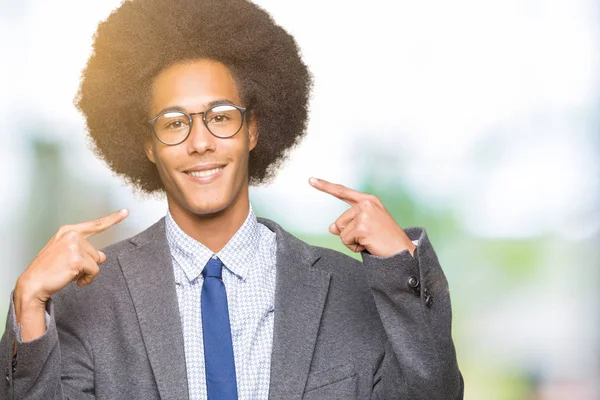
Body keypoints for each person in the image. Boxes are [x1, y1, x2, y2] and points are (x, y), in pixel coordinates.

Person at [1, 0, 464, 398]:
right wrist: (27, 303)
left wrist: (403, 265)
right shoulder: (91, 297)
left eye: (221, 117)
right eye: (174, 122)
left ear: (253, 129)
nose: (200, 142)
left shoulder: (349, 289)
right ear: (147, 145)